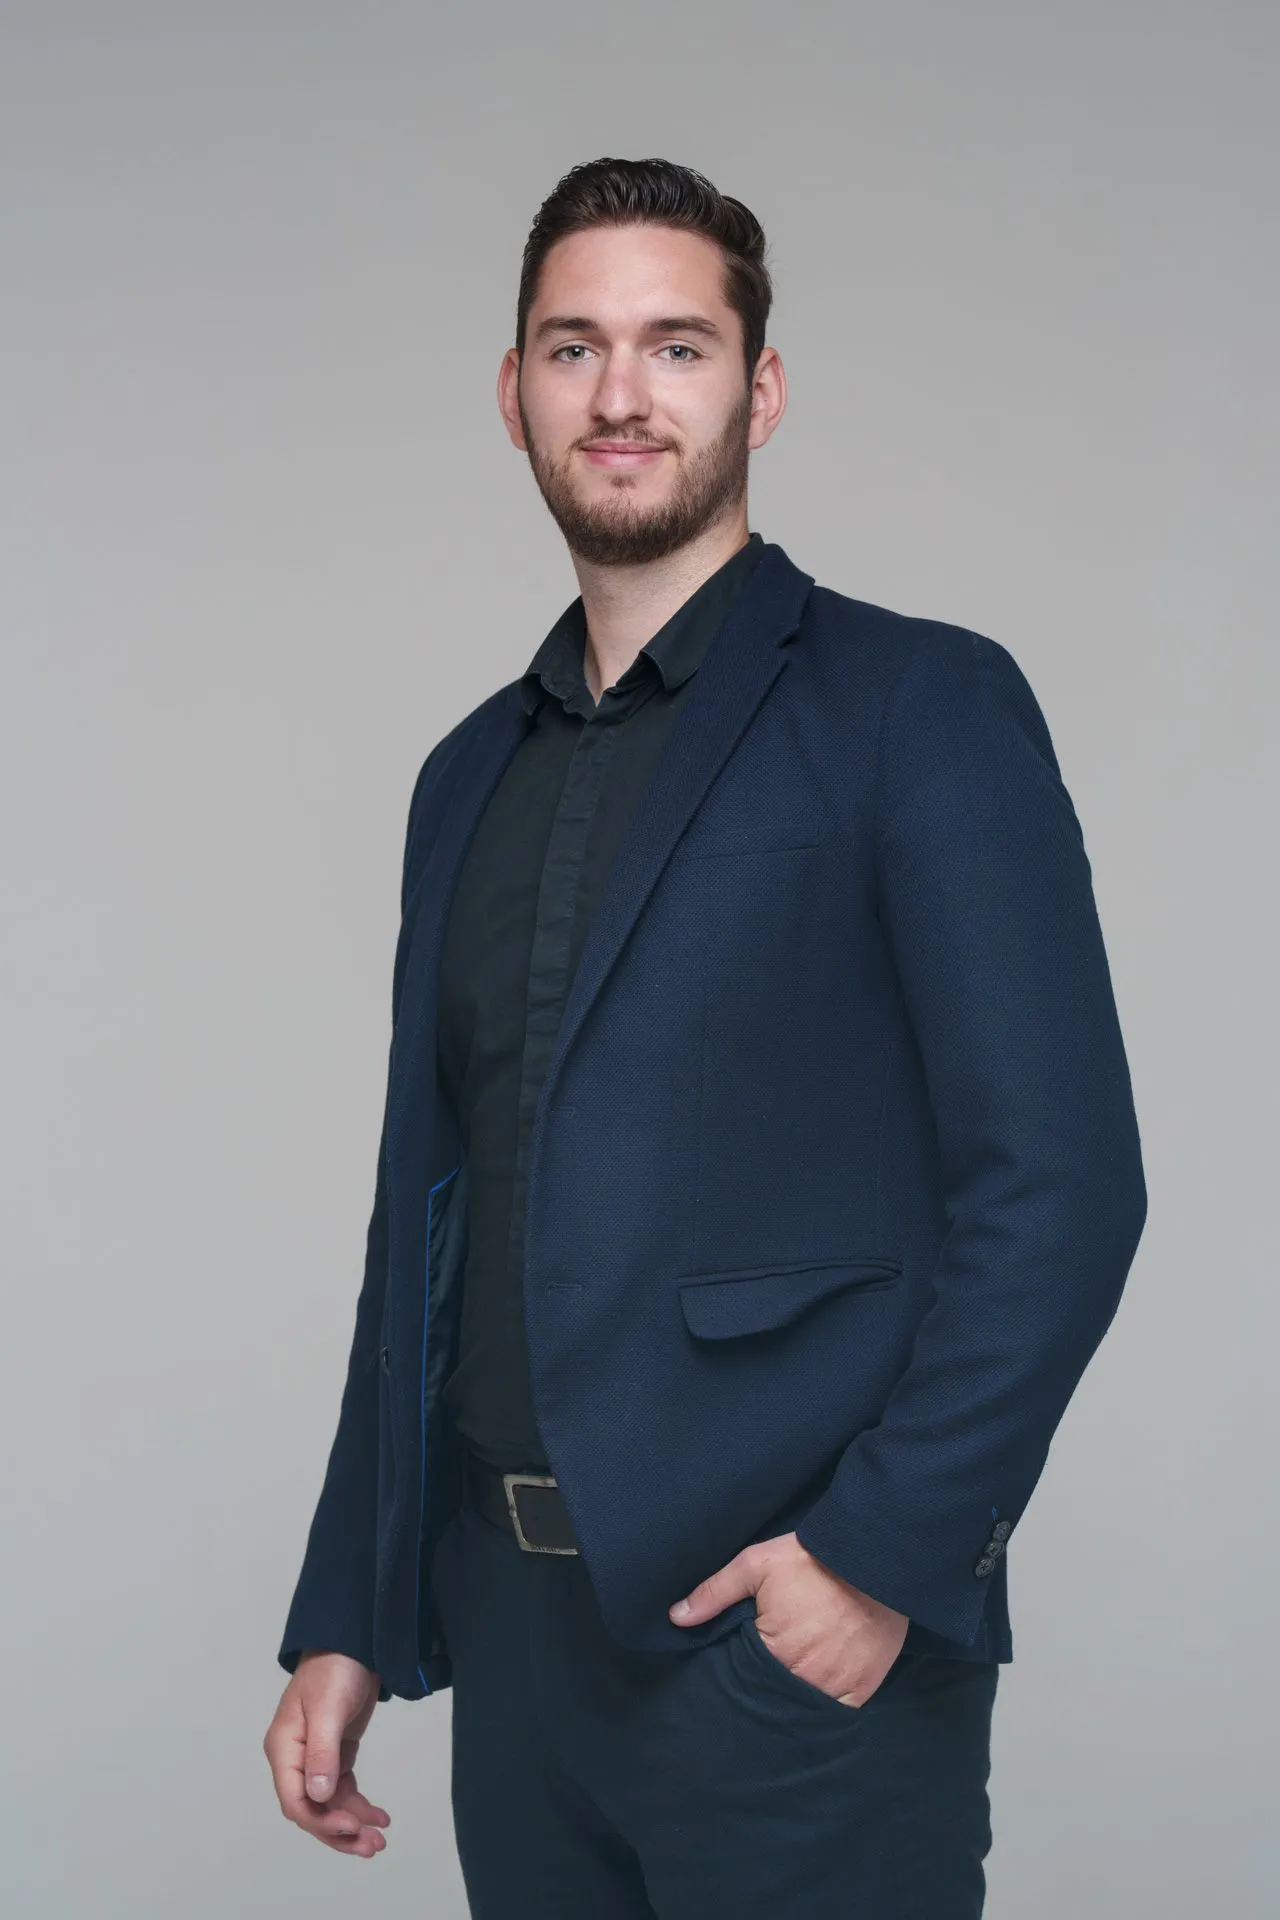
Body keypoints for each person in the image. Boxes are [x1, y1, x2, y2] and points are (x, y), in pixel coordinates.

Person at [262, 156, 1147, 1918]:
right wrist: (353, 1610)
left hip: (784, 1652)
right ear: (513, 394)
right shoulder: (464, 776)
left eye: (677, 346)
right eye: (572, 347)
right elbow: (425, 1221)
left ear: (763, 388)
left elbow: (1062, 1186)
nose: (621, 392)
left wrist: (877, 1559)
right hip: (515, 1657)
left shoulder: (918, 705)